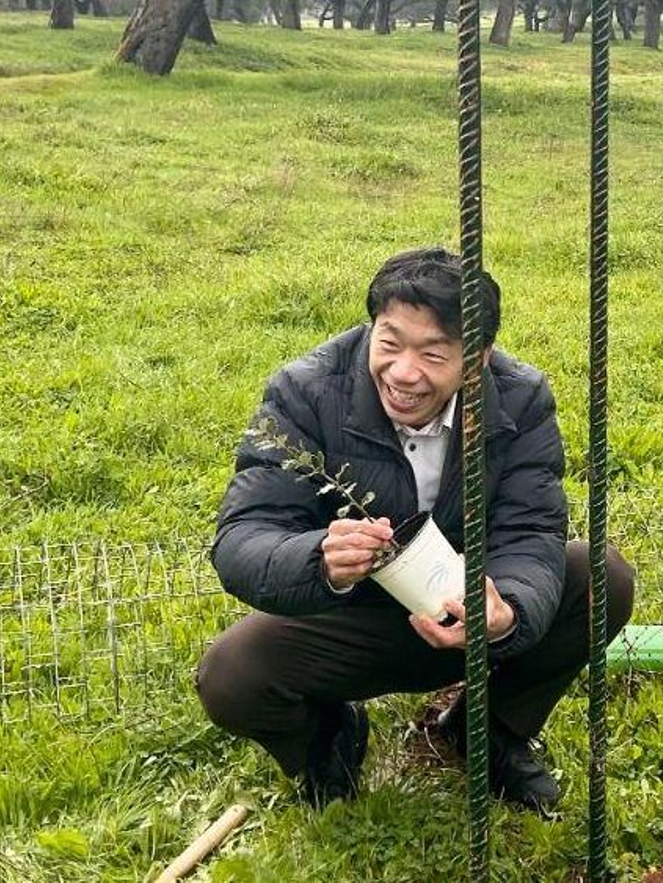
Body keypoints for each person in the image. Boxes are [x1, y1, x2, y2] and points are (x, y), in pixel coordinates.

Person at [196, 246, 635, 814]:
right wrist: (319, 559)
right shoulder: (306, 391)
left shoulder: (521, 399)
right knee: (233, 674)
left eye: (434, 353)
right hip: (347, 619)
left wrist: (507, 614)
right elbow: (243, 534)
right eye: (390, 342)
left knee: (603, 577)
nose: (404, 372)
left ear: (477, 358)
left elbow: (530, 530)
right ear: (371, 327)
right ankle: (328, 742)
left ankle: (488, 731)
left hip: (464, 610)